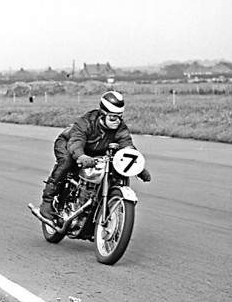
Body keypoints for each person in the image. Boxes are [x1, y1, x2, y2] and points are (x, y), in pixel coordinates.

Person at [37, 90, 152, 221]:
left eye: (120, 117)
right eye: (113, 117)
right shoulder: (86, 123)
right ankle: (47, 201)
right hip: (68, 144)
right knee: (67, 163)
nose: (117, 121)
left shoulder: (120, 128)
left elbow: (127, 146)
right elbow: (76, 142)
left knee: (116, 170)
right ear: (102, 115)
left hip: (96, 152)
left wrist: (138, 168)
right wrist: (81, 157)